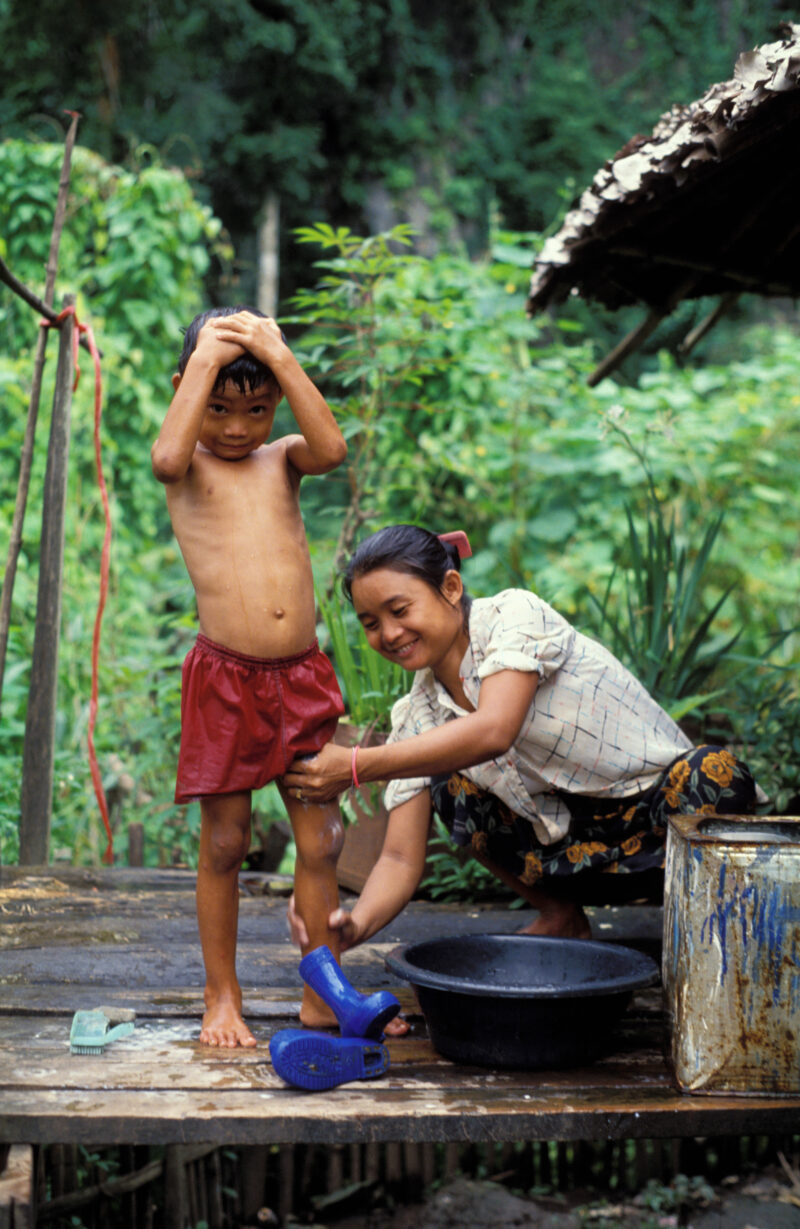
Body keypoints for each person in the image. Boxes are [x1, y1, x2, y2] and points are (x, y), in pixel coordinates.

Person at [285, 523, 759, 971]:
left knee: (714, 773)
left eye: (399, 610)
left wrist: (355, 764)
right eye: (370, 622)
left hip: (658, 824)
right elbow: (398, 859)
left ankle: (718, 937)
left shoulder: (514, 617)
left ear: (450, 588)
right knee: (449, 781)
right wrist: (355, 925)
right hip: (569, 850)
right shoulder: (416, 716)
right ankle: (562, 918)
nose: (388, 634)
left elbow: (494, 729)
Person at [151, 306, 348, 1047]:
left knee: (321, 837)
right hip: (226, 684)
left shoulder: (284, 459)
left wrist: (280, 355)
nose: (237, 429)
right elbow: (167, 455)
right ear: (189, 391)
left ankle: (320, 992)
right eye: (219, 409)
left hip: (299, 679)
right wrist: (205, 359)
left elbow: (332, 447)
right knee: (226, 844)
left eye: (255, 409)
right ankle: (222, 995)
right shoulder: (187, 465)